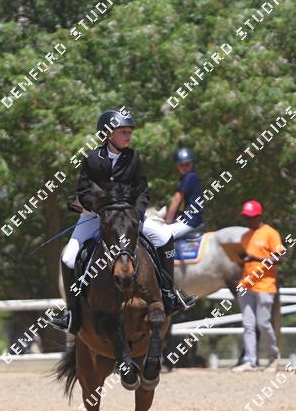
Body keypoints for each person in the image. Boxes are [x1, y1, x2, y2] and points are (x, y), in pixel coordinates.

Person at [48, 109, 195, 334]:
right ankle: (72, 314)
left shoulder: (133, 157)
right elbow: (84, 191)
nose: (128, 136)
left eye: (129, 132)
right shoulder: (91, 158)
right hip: (95, 217)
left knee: (165, 237)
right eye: (123, 132)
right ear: (108, 134)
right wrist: (101, 209)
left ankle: (169, 295)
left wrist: (135, 214)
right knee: (68, 258)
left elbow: (142, 191)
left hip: (128, 218)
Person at [232, 200, 285, 372]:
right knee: (248, 325)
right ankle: (250, 361)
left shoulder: (270, 233)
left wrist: (256, 259)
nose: (248, 220)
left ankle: (273, 357)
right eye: (245, 217)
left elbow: (280, 258)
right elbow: (244, 262)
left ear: (259, 216)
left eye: (251, 217)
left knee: (263, 323)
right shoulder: (244, 237)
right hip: (246, 285)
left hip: (265, 286)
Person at [160, 147, 204, 239]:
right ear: (177, 166)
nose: (184, 167)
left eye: (187, 164)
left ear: (192, 164)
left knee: (160, 234)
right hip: (190, 219)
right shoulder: (192, 176)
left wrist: (168, 221)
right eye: (181, 165)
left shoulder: (190, 176)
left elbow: (177, 199)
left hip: (190, 221)